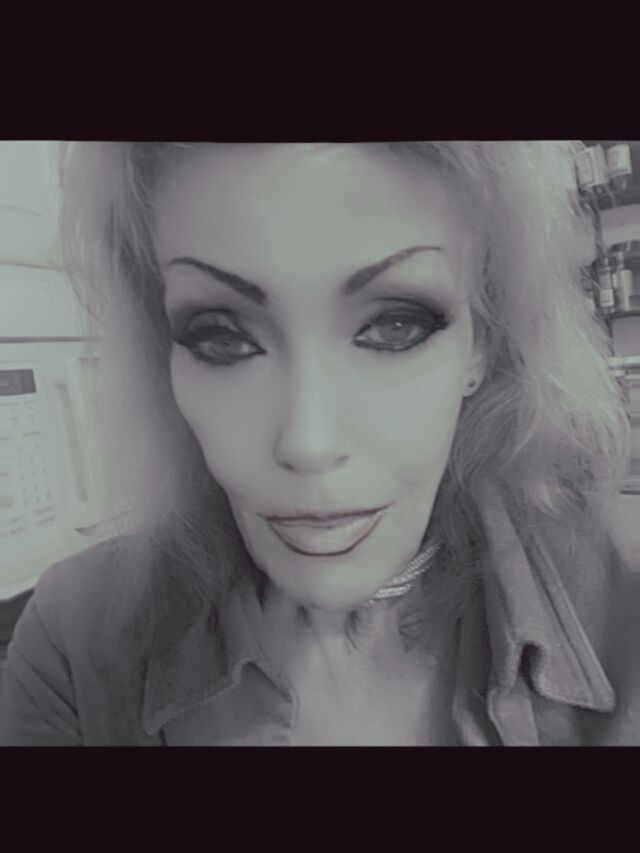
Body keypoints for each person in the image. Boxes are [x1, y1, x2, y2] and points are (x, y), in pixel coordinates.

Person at [0, 141, 638, 746]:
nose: (309, 442)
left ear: (480, 343)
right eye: (222, 335)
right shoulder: (76, 641)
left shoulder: (616, 601)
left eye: (394, 325)